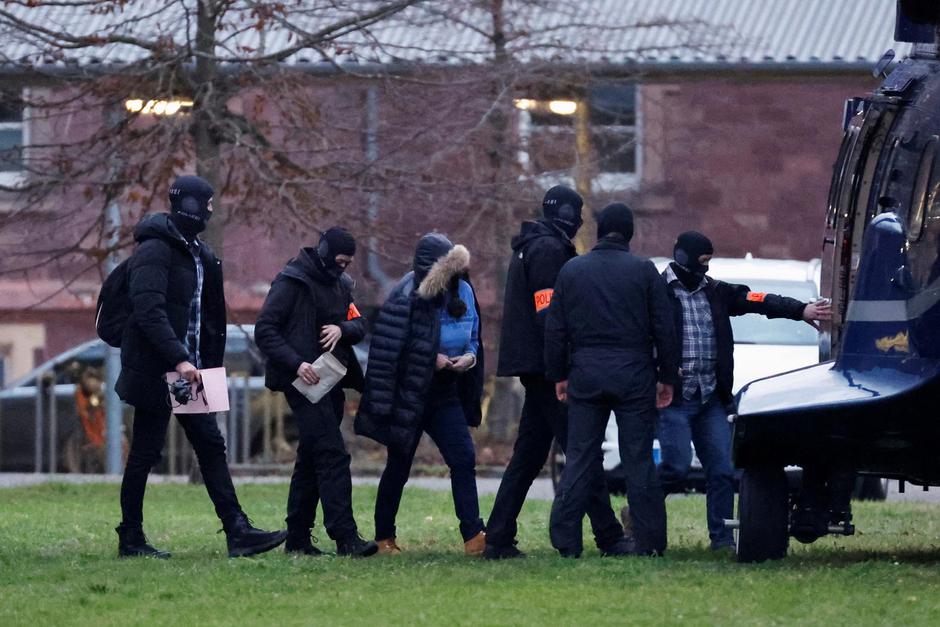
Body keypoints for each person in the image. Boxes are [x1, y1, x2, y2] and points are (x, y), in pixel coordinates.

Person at [115, 175, 287, 559]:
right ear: (190, 205)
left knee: (210, 444)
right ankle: (131, 537)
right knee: (145, 451)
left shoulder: (198, 253)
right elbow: (149, 311)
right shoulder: (155, 250)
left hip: (187, 373)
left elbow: (202, 316)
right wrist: (178, 357)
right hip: (159, 370)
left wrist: (200, 364)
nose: (211, 210)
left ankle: (238, 531)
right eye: (207, 204)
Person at [656, 231, 831, 551]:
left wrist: (801, 310)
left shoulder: (717, 292)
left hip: (710, 398)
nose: (704, 271)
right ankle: (642, 520)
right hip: (675, 399)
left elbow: (759, 301)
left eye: (708, 264)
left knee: (722, 471)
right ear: (682, 258)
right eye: (700, 263)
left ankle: (721, 538)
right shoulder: (656, 293)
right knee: (675, 468)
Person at [484, 186, 626, 560]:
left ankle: (498, 537)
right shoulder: (548, 250)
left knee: (529, 456)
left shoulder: (534, 245)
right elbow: (549, 315)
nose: (580, 220)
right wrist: (563, 366)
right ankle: (609, 535)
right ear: (565, 213)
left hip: (538, 368)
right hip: (548, 369)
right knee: (582, 453)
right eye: (577, 212)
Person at [545, 203, 679, 558]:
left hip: (586, 373)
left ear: (599, 230)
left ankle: (565, 538)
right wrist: (666, 376)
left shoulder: (573, 270)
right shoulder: (644, 271)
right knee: (638, 459)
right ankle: (650, 541)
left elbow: (555, 329)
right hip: (634, 373)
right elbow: (664, 328)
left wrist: (559, 375)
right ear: (629, 232)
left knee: (581, 457)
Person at [355, 233, 487, 556]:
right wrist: (434, 359)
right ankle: (384, 536)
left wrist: (468, 357)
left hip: (445, 391)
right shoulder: (406, 296)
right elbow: (395, 346)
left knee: (463, 458)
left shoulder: (464, 293)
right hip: (410, 393)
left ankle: (473, 535)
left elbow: (473, 335)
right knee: (399, 466)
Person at [254, 228, 377, 558]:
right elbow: (265, 330)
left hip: (331, 380)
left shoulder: (341, 285)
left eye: (348, 263)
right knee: (332, 454)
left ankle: (297, 536)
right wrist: (297, 364)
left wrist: (342, 329)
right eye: (339, 261)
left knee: (311, 458)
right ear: (324, 252)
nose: (343, 268)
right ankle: (345, 536)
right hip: (303, 383)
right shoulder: (291, 282)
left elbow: (359, 324)